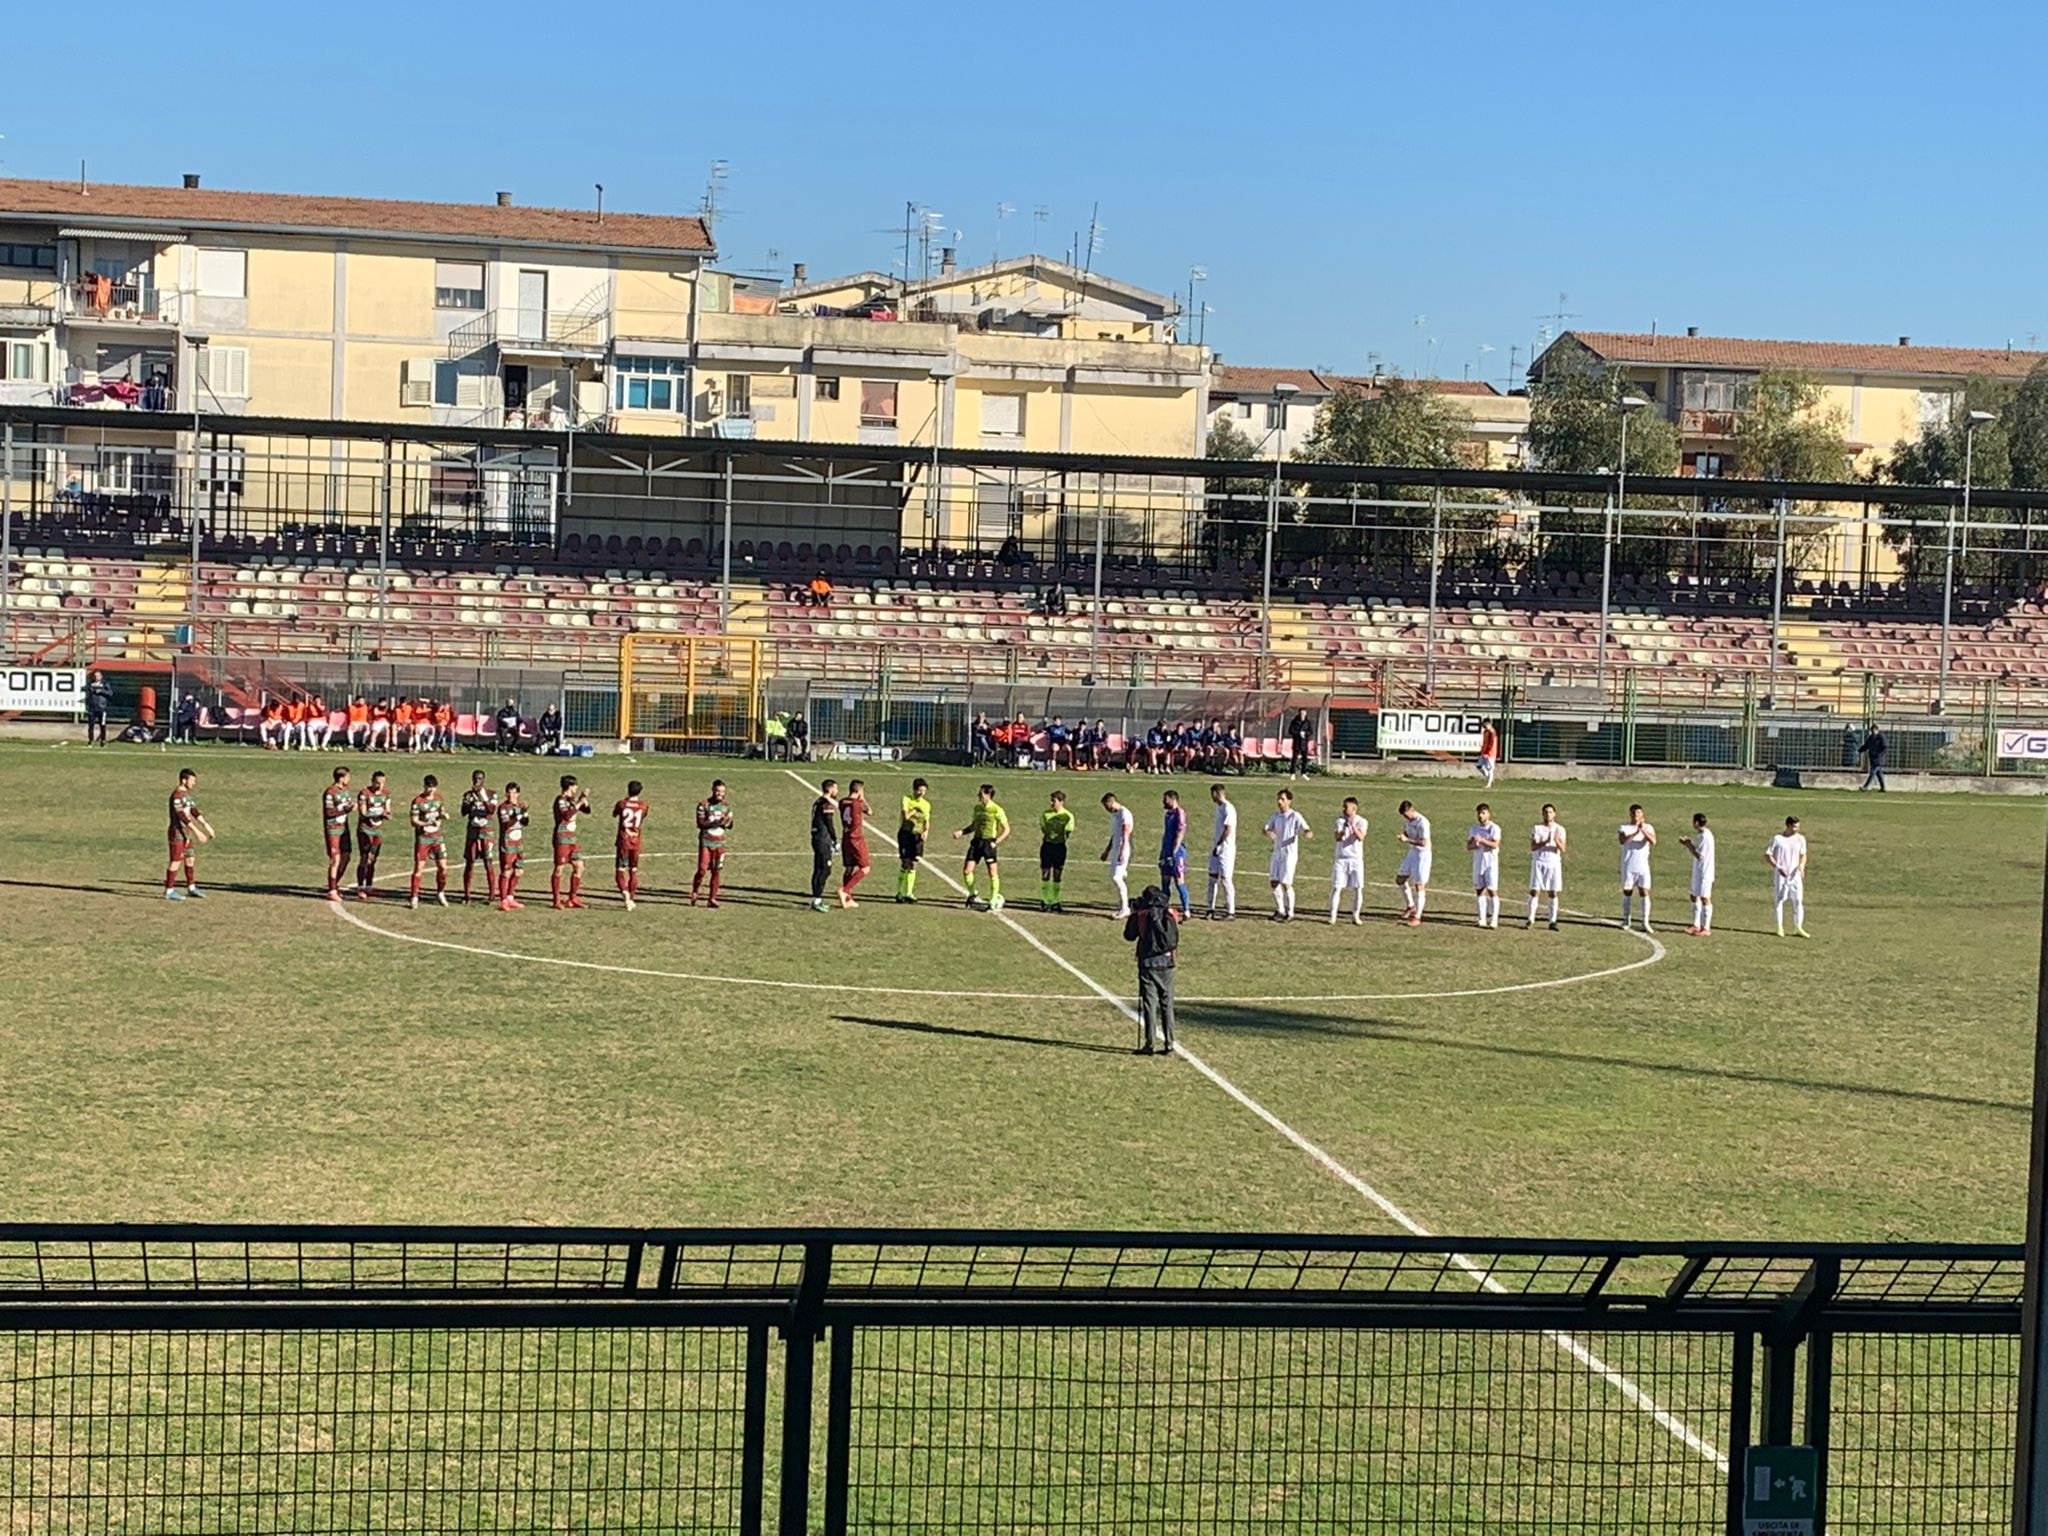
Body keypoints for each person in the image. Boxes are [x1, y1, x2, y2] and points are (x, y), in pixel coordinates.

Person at [1125, 883, 1181, 1056]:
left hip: (1148, 963)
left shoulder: (1141, 915)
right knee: (1167, 1004)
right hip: (1167, 963)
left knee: (1150, 1004)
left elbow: (1129, 935)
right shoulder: (1169, 914)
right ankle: (1169, 1043)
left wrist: (1134, 914)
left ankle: (1150, 1043)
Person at [953, 783, 1011, 910]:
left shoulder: (997, 809)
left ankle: (994, 898)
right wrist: (961, 832)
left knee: (992, 872)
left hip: (988, 843)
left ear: (988, 795)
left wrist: (996, 841)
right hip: (976, 842)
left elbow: (1006, 829)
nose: (979, 796)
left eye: (981, 794)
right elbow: (974, 826)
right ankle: (973, 892)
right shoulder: (977, 808)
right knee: (967, 870)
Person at [163, 767, 210, 900]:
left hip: (186, 833)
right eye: (192, 781)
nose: (194, 783)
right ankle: (169, 890)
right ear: (184, 780)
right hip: (177, 833)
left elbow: (193, 810)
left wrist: (206, 825)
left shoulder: (186, 796)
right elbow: (182, 816)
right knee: (176, 861)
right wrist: (198, 832)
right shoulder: (177, 796)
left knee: (190, 858)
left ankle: (191, 887)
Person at [408, 774, 449, 909]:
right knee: (419, 868)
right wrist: (425, 823)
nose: (431, 790)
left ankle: (440, 893)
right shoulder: (417, 801)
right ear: (424, 786)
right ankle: (414, 896)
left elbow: (441, 811)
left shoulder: (438, 798)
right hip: (424, 838)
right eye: (429, 787)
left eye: (433, 787)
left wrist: (443, 815)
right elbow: (413, 821)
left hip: (437, 837)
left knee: (443, 867)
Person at [1766, 815, 1810, 939]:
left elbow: (1803, 854)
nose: (1797, 829)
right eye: (1795, 826)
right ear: (1789, 825)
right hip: (1781, 875)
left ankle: (1798, 927)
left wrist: (1801, 866)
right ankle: (1779, 926)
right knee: (1779, 900)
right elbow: (1768, 855)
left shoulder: (1800, 839)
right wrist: (1778, 867)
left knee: (1798, 900)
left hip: (1795, 875)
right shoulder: (1777, 839)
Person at [551, 774, 591, 909]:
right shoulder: (560, 800)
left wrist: (584, 800)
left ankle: (572, 898)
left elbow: (587, 811)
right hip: (562, 838)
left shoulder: (572, 799)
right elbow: (567, 816)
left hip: (572, 839)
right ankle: (556, 900)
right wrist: (578, 803)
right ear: (569, 786)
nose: (576, 787)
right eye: (575, 785)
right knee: (559, 869)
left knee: (579, 866)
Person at [460, 770, 499, 905]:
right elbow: (463, 812)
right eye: (475, 779)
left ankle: (492, 894)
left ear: (483, 780)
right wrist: (469, 802)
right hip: (473, 830)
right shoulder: (468, 795)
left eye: (480, 779)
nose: (477, 781)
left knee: (488, 861)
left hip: (487, 830)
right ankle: (467, 894)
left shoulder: (491, 794)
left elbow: (491, 810)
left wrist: (482, 797)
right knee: (470, 861)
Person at [1617, 803, 1657, 934]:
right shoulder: (1625, 827)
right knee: (1627, 892)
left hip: (1643, 866)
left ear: (1642, 814)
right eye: (1634, 813)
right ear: (1630, 814)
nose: (1636, 816)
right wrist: (1636, 832)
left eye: (1638, 813)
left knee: (1644, 892)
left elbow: (1653, 841)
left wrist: (1643, 830)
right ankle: (1626, 919)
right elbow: (1623, 840)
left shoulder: (1648, 827)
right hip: (1628, 865)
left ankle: (1645, 921)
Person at [692, 779, 732, 907]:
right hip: (706, 841)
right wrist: (716, 822)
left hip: (720, 843)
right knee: (702, 869)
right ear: (713, 790)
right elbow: (700, 824)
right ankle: (695, 891)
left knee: (716, 871)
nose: (720, 794)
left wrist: (728, 822)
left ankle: (712, 898)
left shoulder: (726, 806)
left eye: (722, 792)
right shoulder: (703, 805)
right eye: (717, 791)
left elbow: (730, 825)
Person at [1526, 803, 1566, 931]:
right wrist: (1545, 841)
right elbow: (1533, 846)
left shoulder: (1560, 829)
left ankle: (1552, 920)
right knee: (1534, 891)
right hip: (1539, 862)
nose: (1548, 814)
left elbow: (1563, 848)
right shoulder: (1537, 828)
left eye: (1550, 812)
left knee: (1553, 892)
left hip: (1553, 863)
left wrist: (1555, 840)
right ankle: (1530, 919)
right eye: (1545, 812)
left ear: (1554, 814)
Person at [1329, 795, 1368, 925]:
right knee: (1337, 887)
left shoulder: (1362, 821)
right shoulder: (1340, 821)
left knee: (1358, 888)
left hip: (1356, 859)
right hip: (1341, 858)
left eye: (1347, 807)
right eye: (1344, 806)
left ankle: (1356, 915)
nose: (1344, 809)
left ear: (1354, 808)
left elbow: (1361, 837)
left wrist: (1352, 826)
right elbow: (1338, 837)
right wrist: (1345, 828)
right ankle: (1333, 915)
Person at [613, 780, 650, 911]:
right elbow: (643, 816)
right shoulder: (644, 805)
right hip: (636, 841)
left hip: (624, 841)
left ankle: (626, 895)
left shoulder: (622, 804)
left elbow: (615, 813)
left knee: (620, 870)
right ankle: (632, 898)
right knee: (633, 870)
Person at [354, 770, 391, 899]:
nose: (380, 785)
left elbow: (388, 809)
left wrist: (387, 814)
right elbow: (363, 813)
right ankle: (360, 887)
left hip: (377, 830)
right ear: (372, 781)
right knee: (365, 857)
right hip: (365, 830)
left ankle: (369, 886)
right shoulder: (364, 793)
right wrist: (379, 814)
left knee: (373, 859)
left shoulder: (386, 794)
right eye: (377, 783)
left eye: (382, 783)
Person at [1395, 799, 1432, 928]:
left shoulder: (1422, 822)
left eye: (1406, 815)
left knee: (1419, 885)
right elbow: (1406, 832)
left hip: (1422, 855)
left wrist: (1407, 840)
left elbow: (1423, 842)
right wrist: (1403, 835)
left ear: (1412, 810)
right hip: (1412, 853)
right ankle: (1411, 906)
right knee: (1400, 879)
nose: (1406, 818)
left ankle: (1418, 916)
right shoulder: (1407, 821)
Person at [1038, 789, 1076, 912]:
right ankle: (1045, 900)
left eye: (1054, 801)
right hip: (1047, 846)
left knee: (1057, 875)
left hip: (1059, 847)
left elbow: (1068, 832)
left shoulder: (1068, 816)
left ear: (1061, 802)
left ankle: (1056, 901)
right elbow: (1043, 829)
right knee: (1045, 874)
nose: (1051, 803)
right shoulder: (1045, 814)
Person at [894, 777, 931, 904]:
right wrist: (915, 810)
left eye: (924, 791)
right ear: (914, 789)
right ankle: (899, 892)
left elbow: (927, 820)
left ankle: (909, 893)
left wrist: (926, 831)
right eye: (920, 790)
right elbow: (905, 816)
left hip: (917, 836)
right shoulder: (906, 799)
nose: (921, 793)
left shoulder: (926, 804)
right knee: (905, 862)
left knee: (914, 863)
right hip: (905, 834)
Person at [1100, 790, 1135, 919]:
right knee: (1115, 876)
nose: (1106, 809)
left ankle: (1125, 908)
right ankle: (1122, 905)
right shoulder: (1115, 815)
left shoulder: (1125, 814)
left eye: (1106, 806)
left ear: (1111, 802)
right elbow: (1115, 835)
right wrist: (1107, 851)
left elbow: (1126, 833)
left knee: (1116, 878)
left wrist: (1123, 850)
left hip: (1122, 849)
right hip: (1116, 849)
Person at [1680, 812, 1716, 937]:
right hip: (1698, 870)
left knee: (1705, 897)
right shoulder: (1701, 835)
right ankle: (1696, 924)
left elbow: (1699, 855)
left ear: (1696, 822)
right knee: (1694, 895)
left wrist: (1688, 845)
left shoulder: (1705, 836)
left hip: (1705, 872)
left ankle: (1706, 927)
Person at [1206, 784, 1239, 920]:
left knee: (1226, 879)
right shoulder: (1219, 808)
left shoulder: (1228, 808)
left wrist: (1220, 844)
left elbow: (1228, 829)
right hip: (1217, 847)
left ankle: (1231, 911)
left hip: (1226, 849)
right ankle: (1210, 908)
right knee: (1212, 877)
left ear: (1216, 793)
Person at [1467, 803, 1502, 929]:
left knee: (1492, 890)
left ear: (1488, 814)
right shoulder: (1473, 829)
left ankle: (1494, 919)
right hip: (1478, 862)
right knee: (1479, 890)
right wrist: (1474, 845)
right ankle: (1482, 918)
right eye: (1479, 813)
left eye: (1483, 813)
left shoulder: (1494, 828)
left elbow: (1495, 844)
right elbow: (1468, 846)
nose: (1481, 816)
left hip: (1491, 863)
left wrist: (1482, 841)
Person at [839, 778, 872, 908]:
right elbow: (869, 812)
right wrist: (862, 798)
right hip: (856, 838)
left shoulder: (842, 802)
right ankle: (845, 891)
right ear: (859, 790)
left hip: (846, 837)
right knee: (865, 868)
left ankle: (847, 899)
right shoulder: (858, 803)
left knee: (849, 868)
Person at [322, 766, 354, 902]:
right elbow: (329, 812)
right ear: (341, 778)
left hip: (344, 827)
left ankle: (334, 884)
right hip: (333, 828)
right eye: (347, 776)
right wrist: (346, 810)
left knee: (346, 857)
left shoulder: (345, 791)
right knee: (336, 859)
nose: (349, 779)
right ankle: (332, 890)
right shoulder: (330, 792)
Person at [1158, 789, 1191, 919]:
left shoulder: (1179, 813)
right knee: (1165, 880)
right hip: (1166, 851)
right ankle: (1164, 907)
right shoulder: (1168, 814)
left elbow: (1180, 832)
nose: (1163, 802)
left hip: (1177, 853)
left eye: (1165, 799)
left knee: (1179, 881)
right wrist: (1163, 852)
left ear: (1173, 799)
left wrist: (1175, 851)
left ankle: (1187, 909)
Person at [809, 779, 841, 912]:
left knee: (818, 869)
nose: (837, 791)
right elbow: (829, 822)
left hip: (817, 838)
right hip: (823, 839)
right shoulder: (827, 803)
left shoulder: (818, 801)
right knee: (825, 870)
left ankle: (816, 898)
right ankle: (817, 899)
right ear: (831, 788)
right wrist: (835, 839)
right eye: (836, 788)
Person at [496, 782, 529, 910]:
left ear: (518, 794)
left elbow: (525, 823)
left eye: (514, 793)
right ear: (506, 794)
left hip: (518, 842)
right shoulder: (503, 807)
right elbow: (507, 824)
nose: (512, 795)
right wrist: (518, 816)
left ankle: (510, 897)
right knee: (506, 871)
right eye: (509, 793)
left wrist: (524, 814)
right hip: (507, 843)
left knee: (519, 870)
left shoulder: (520, 805)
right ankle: (503, 900)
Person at [84, 669, 112, 746]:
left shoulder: (105, 684)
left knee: (102, 725)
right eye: (95, 676)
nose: (97, 677)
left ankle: (103, 740)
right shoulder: (90, 684)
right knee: (91, 725)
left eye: (98, 676)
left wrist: (101, 691)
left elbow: (110, 693)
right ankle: (90, 740)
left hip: (102, 708)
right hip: (92, 708)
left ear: (101, 676)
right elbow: (87, 694)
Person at [1286, 709, 1314, 779]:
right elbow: (1291, 731)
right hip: (1297, 742)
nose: (1303, 715)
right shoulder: (1294, 721)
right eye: (1301, 713)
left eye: (1304, 714)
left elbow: (1310, 732)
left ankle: (1303, 773)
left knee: (1305, 759)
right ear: (1299, 714)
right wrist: (1298, 734)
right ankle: (1292, 773)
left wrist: (1305, 734)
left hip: (1304, 743)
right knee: (1294, 758)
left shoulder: (1307, 722)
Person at [1859, 726, 1888, 792]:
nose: (1872, 732)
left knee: (1872, 773)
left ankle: (1865, 787)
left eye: (1873, 731)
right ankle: (1883, 788)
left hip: (1879, 759)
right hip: (1873, 758)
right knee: (1879, 774)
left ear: (1877, 730)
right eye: (1871, 731)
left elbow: (1885, 747)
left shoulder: (1881, 737)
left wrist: (1880, 754)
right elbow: (1866, 746)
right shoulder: (1870, 738)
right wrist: (1859, 750)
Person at [1476, 720, 1499, 790]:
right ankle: (1490, 778)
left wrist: (1487, 752)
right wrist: (1482, 750)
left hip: (1490, 753)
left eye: (1485, 724)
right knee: (1479, 766)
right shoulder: (1485, 732)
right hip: (1484, 752)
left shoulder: (1492, 732)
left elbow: (1491, 743)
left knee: (1490, 768)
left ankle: (1489, 784)